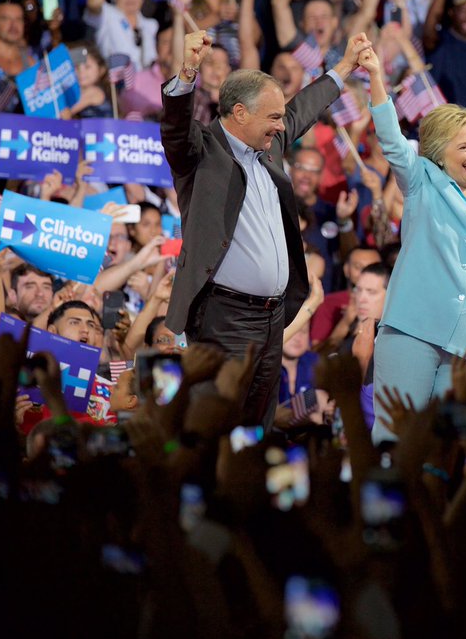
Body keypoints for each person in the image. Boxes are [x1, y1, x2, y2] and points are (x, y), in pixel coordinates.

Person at [159, 29, 371, 426]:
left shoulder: (269, 147)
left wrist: (344, 66)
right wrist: (187, 71)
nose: (280, 125)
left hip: (273, 318)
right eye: (272, 117)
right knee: (221, 423)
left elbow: (302, 109)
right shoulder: (200, 151)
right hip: (224, 319)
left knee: (259, 423)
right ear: (240, 113)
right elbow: (174, 128)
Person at [356, 44, 466, 443]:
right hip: (412, 330)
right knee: (396, 438)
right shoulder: (421, 181)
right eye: (464, 146)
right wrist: (376, 77)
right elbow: (391, 140)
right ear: (438, 154)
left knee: (449, 446)